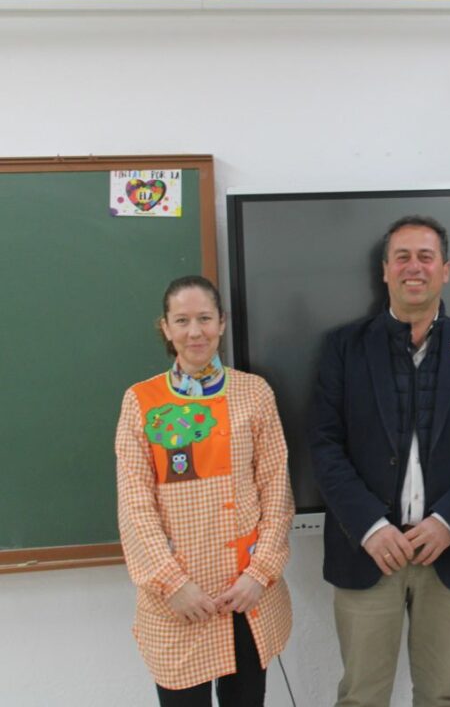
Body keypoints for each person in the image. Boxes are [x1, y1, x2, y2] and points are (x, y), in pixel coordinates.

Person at [310, 214, 450, 707]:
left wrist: (449, 522)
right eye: (401, 257)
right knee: (360, 696)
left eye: (426, 257)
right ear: (384, 270)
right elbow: (324, 444)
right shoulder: (343, 349)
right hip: (367, 552)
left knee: (442, 695)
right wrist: (370, 527)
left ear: (445, 269)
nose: (414, 267)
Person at [115, 275, 294, 706]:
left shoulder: (254, 393)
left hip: (246, 597)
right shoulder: (141, 401)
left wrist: (260, 572)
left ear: (222, 323)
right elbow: (135, 506)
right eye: (182, 320)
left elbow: (276, 490)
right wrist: (173, 584)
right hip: (179, 604)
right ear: (166, 327)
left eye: (204, 318)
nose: (195, 331)